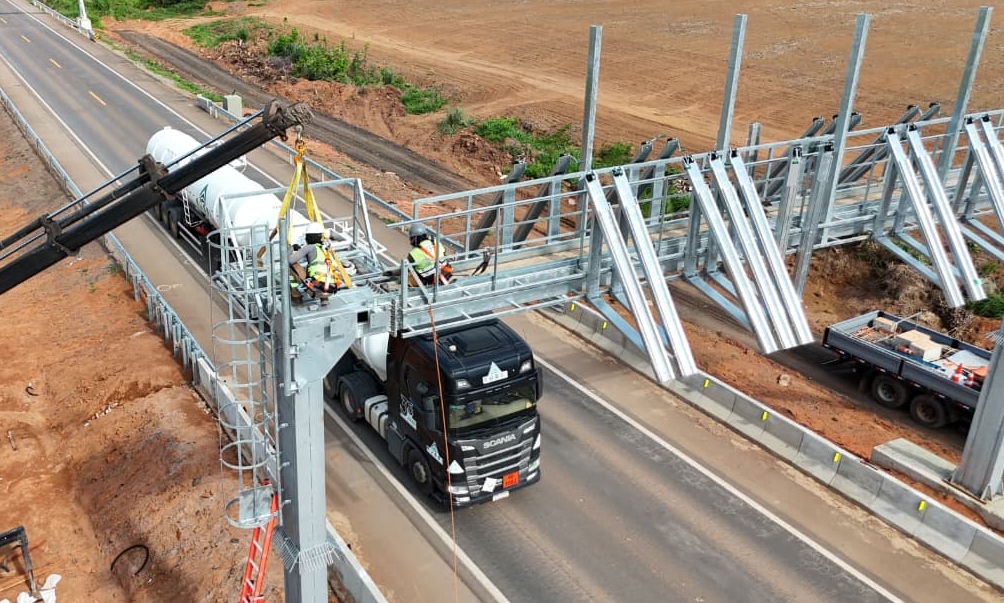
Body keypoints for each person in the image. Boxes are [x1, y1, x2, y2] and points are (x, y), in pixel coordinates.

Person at [289, 221, 339, 302]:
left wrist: (292, 247)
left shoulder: (309, 247)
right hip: (332, 288)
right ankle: (324, 299)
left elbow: (289, 261)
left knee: (291, 267)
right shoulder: (326, 248)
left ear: (308, 237)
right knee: (322, 272)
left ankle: (296, 296)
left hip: (315, 288)